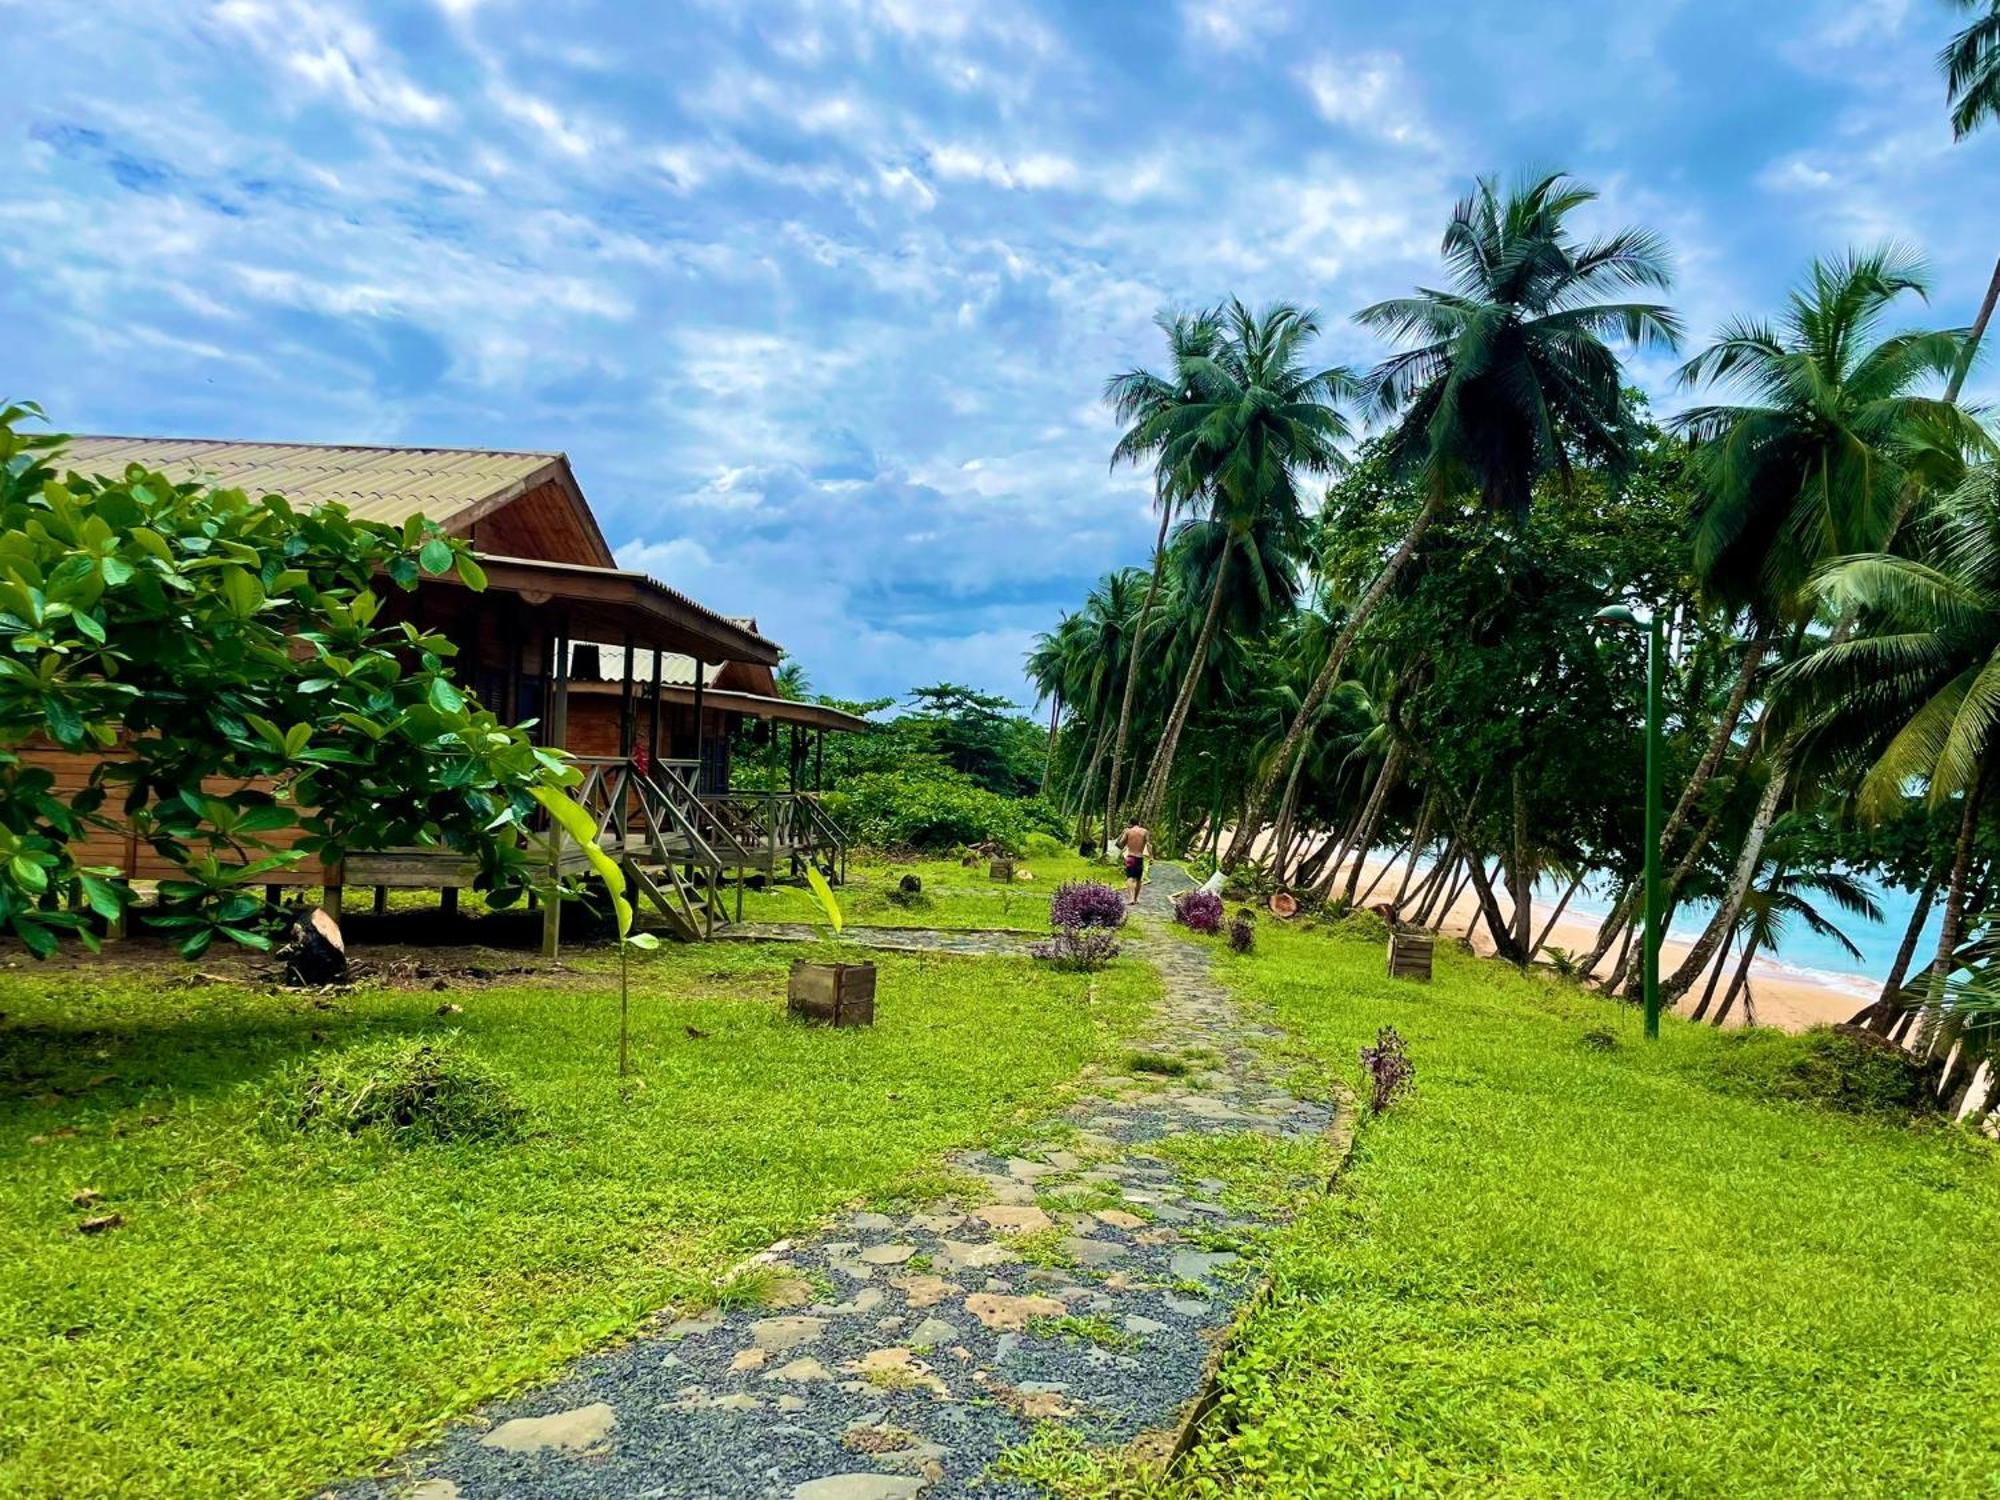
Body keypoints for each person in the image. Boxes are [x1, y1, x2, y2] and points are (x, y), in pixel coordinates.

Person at [1120, 821, 1151, 904]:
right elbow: (1149, 844)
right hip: (1139, 858)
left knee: (1130, 878)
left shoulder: (1128, 831)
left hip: (1130, 857)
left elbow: (1120, 844)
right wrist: (1151, 857)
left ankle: (1131, 899)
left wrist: (1124, 834)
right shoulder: (1144, 831)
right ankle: (1136, 899)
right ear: (1139, 823)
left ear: (1130, 824)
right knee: (1138, 879)